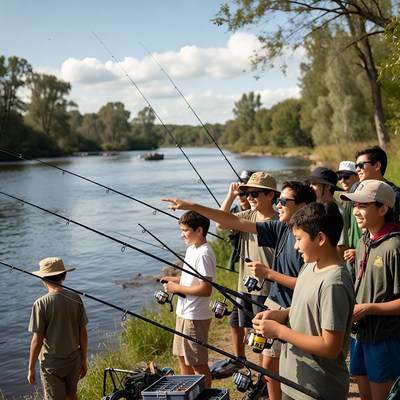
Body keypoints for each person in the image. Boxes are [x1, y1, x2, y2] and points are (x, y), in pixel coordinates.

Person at [163, 181, 316, 400]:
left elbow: (309, 285)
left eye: (283, 200)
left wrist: (269, 274)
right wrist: (191, 205)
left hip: (296, 309)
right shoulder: (281, 228)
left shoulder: (311, 240)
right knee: (269, 369)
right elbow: (233, 221)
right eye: (278, 199)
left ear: (303, 206)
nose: (278, 204)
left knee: (295, 369)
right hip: (274, 305)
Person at [252, 201, 355, 400]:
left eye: (299, 239)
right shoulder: (309, 266)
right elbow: (304, 307)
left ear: (321, 238)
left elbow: (330, 347)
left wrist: (280, 331)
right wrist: (279, 315)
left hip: (317, 389)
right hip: (293, 381)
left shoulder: (335, 283)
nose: (296, 246)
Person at [213, 172, 279, 381]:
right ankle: (241, 360)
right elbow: (220, 223)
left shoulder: (278, 221)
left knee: (263, 337)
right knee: (241, 324)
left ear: (270, 195)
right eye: (247, 193)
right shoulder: (248, 215)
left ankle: (263, 378)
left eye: (254, 193)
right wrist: (231, 195)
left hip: (266, 289)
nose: (249, 197)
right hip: (245, 286)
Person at [340, 179, 400, 400]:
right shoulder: (363, 241)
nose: (356, 212)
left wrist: (367, 308)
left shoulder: (394, 246)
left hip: (385, 339)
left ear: (383, 209)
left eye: (363, 206)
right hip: (359, 335)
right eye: (355, 206)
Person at [161, 210, 216, 388]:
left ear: (199, 230)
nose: (182, 234)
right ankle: (188, 392)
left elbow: (206, 288)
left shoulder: (204, 253)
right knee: (182, 358)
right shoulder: (192, 249)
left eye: (185, 230)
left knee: (198, 363)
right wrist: (174, 280)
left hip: (195, 316)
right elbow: (191, 280)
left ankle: (206, 395)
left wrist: (176, 288)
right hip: (183, 312)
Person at [27, 257, 88, 400]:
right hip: (74, 359)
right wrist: (83, 359)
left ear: (42, 278)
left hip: (52, 365)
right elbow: (83, 333)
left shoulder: (40, 304)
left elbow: (37, 340)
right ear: (64, 276)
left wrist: (31, 368)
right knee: (72, 396)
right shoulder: (75, 297)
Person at [304, 166, 349, 260]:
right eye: (310, 183)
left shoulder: (338, 212)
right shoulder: (313, 208)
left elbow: (341, 248)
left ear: (328, 186)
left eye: (314, 183)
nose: (310, 187)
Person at [355, 145, 400, 214]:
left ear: (377, 166)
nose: (357, 169)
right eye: (356, 166)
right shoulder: (356, 189)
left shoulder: (395, 195)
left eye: (361, 165)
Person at [337, 161, 362, 277]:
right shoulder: (342, 201)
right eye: (340, 177)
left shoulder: (365, 200)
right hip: (349, 254)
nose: (342, 180)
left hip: (361, 252)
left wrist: (358, 251)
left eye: (346, 176)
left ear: (357, 176)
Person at [226, 169, 253, 271]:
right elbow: (220, 223)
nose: (240, 197)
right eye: (238, 194)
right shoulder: (234, 211)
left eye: (243, 194)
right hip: (240, 252)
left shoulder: (259, 211)